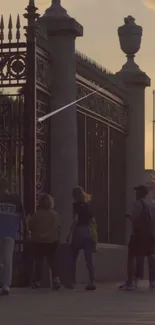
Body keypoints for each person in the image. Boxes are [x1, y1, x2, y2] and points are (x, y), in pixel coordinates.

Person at [119, 185, 155, 291]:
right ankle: (152, 281)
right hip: (149, 235)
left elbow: (134, 218)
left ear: (140, 193)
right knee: (150, 256)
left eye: (137, 191)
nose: (135, 193)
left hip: (138, 234)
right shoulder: (151, 205)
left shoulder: (137, 204)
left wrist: (127, 216)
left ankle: (130, 282)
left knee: (131, 256)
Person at [66, 186, 97, 291]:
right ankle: (92, 280)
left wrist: (69, 234)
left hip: (79, 232)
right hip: (88, 232)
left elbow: (75, 220)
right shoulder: (88, 206)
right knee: (89, 259)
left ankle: (70, 281)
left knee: (72, 257)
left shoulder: (75, 206)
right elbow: (92, 220)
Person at [29, 194, 61, 290]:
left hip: (38, 241)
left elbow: (31, 226)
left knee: (38, 261)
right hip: (52, 240)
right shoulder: (55, 214)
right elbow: (57, 228)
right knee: (52, 261)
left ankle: (36, 281)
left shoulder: (36, 214)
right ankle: (56, 279)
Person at [0, 177, 25, 295]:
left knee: (4, 259)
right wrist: (26, 231)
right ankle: (6, 284)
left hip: (5, 232)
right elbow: (22, 215)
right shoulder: (15, 198)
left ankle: (4, 283)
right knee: (7, 259)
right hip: (10, 233)